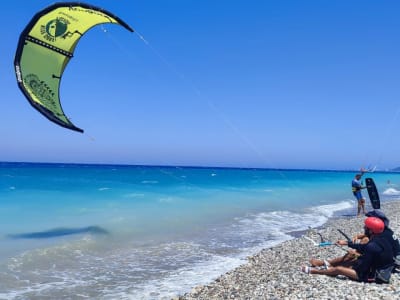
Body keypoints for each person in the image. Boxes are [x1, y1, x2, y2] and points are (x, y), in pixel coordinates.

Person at [301, 217, 394, 283]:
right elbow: (364, 248)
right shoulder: (381, 239)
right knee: (352, 259)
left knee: (339, 269)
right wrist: (348, 244)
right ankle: (329, 267)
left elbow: (362, 270)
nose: (364, 228)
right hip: (381, 268)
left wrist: (349, 266)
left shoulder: (372, 245)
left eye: (366, 227)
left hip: (376, 276)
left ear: (371, 230)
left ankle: (315, 271)